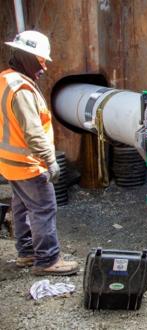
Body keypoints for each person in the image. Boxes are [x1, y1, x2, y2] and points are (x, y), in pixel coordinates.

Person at [1, 30, 78, 275]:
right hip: (28, 163)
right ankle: (47, 260)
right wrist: (50, 160)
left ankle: (26, 253)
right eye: (42, 61)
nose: (44, 68)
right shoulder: (22, 90)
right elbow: (33, 132)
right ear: (27, 57)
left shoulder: (5, 79)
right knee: (43, 208)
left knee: (22, 206)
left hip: (10, 162)